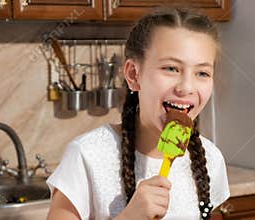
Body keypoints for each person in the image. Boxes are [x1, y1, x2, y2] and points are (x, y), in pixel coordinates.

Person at [46, 7, 230, 220]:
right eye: (171, 68)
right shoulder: (86, 156)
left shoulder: (211, 159)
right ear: (134, 74)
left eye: (202, 73)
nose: (187, 87)